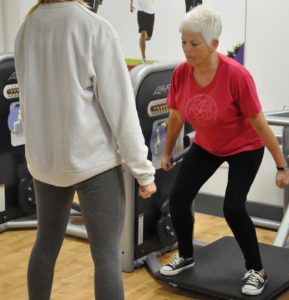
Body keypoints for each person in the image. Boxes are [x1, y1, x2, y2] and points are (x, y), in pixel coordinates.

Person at [14, 1, 157, 299]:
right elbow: (121, 111)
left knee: (45, 244)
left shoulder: (26, 28)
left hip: (46, 164)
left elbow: (28, 100)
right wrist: (143, 171)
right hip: (94, 163)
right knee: (106, 256)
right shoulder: (94, 27)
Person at [159, 5, 289, 296]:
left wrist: (281, 166)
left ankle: (257, 270)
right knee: (179, 200)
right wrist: (166, 153)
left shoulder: (236, 75)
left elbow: (258, 123)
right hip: (207, 145)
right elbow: (176, 117)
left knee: (232, 207)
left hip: (244, 147)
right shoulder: (182, 73)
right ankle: (186, 254)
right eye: (184, 42)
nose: (187, 49)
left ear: (214, 44)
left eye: (194, 44)